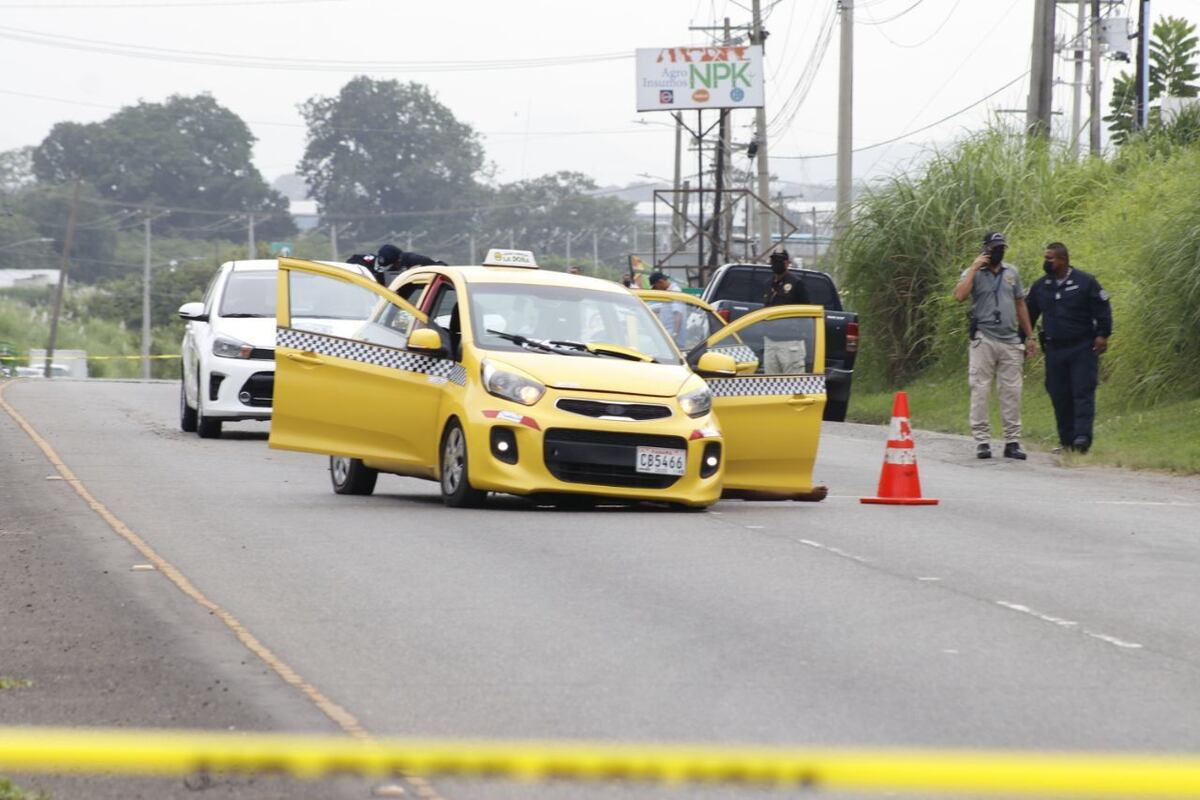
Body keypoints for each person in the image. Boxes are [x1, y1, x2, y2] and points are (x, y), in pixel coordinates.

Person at [952, 231, 1038, 460]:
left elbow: (1020, 304)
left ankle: (1012, 441)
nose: (998, 251)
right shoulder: (975, 273)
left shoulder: (1012, 273)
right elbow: (959, 295)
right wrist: (973, 267)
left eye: (1001, 247)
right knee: (980, 388)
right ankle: (982, 441)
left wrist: (1029, 336)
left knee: (1011, 391)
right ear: (985, 249)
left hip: (1010, 339)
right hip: (984, 338)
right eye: (994, 248)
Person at [1025, 242, 1112, 454]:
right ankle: (1066, 441)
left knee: (1082, 392)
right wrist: (1025, 339)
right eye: (1045, 258)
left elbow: (1102, 309)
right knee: (1059, 394)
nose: (1046, 262)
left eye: (1050, 258)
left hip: (1082, 347)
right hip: (1054, 350)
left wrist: (1102, 334)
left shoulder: (1085, 282)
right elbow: (1027, 314)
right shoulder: (1041, 286)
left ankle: (1082, 438)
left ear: (1063, 260)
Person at [370, 243, 445, 287]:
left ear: (398, 260)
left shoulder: (413, 260)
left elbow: (443, 267)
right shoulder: (369, 262)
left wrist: (419, 271)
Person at [648, 270, 686, 342]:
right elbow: (665, 307)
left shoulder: (675, 292)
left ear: (661, 282)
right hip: (668, 334)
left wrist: (674, 335)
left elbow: (678, 315)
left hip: (673, 337)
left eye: (656, 287)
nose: (657, 290)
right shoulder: (669, 293)